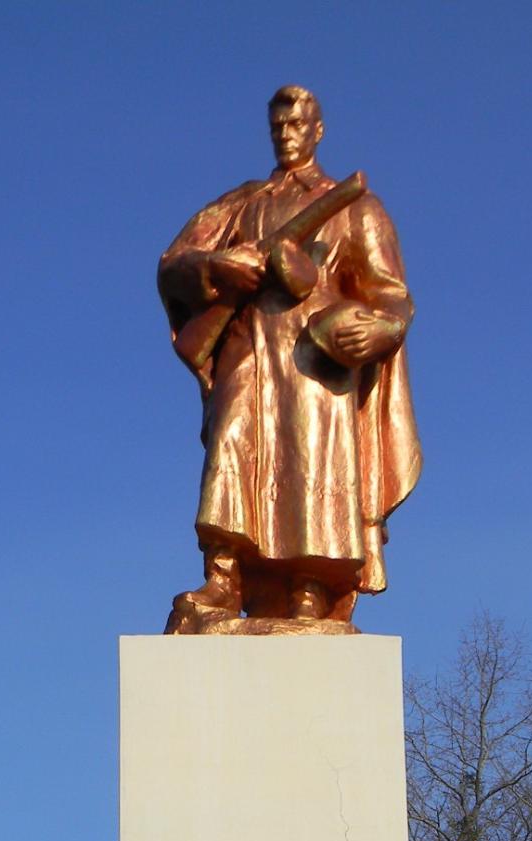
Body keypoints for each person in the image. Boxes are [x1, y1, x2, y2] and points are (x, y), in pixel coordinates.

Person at [159, 85, 421, 632]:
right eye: (278, 126)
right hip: (248, 348)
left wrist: (378, 328)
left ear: (318, 130)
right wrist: (218, 267)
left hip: (316, 358)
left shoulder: (355, 207)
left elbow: (391, 294)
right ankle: (224, 577)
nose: (287, 134)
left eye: (298, 124)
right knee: (231, 444)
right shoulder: (242, 203)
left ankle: (311, 585)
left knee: (312, 459)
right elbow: (174, 263)